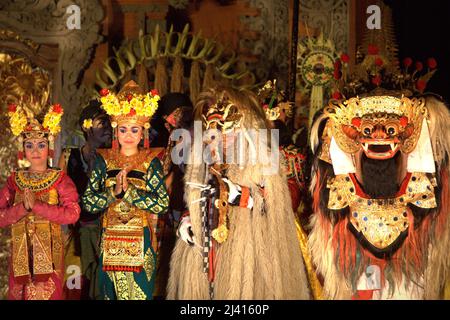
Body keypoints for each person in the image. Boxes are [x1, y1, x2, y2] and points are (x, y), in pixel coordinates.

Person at [167, 87, 309, 299]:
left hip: (249, 253)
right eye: (213, 134)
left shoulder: (264, 161)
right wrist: (188, 219)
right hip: (207, 249)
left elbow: (276, 205)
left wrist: (244, 197)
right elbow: (196, 196)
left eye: (228, 132)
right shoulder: (205, 163)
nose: (221, 139)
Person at [308, 93, 450, 299]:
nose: (380, 136)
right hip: (356, 267)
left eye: (390, 129)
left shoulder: (423, 183)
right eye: (368, 130)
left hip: (411, 271)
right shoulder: (340, 181)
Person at [82, 80, 169, 300]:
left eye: (134, 129)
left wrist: (129, 193)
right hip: (109, 239)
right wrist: (112, 194)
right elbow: (89, 202)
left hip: (141, 240)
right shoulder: (104, 160)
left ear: (143, 132)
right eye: (123, 129)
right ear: (115, 130)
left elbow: (162, 203)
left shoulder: (151, 161)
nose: (128, 134)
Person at [0, 102, 80, 300]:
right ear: (23, 149)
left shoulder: (60, 179)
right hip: (20, 252)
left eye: (41, 145)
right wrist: (22, 209)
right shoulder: (14, 180)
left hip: (49, 254)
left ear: (49, 147)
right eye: (29, 145)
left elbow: (73, 214)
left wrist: (37, 206)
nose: (35, 150)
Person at [58, 99, 112, 299]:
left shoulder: (113, 158)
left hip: (105, 230)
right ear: (86, 126)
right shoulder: (69, 155)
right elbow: (57, 195)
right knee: (76, 283)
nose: (108, 127)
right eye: (102, 122)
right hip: (78, 230)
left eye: (109, 122)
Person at [151, 92, 194, 298]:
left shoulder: (191, 136)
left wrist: (170, 179)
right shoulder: (170, 137)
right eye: (167, 117)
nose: (170, 121)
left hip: (186, 202)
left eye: (175, 115)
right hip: (169, 207)